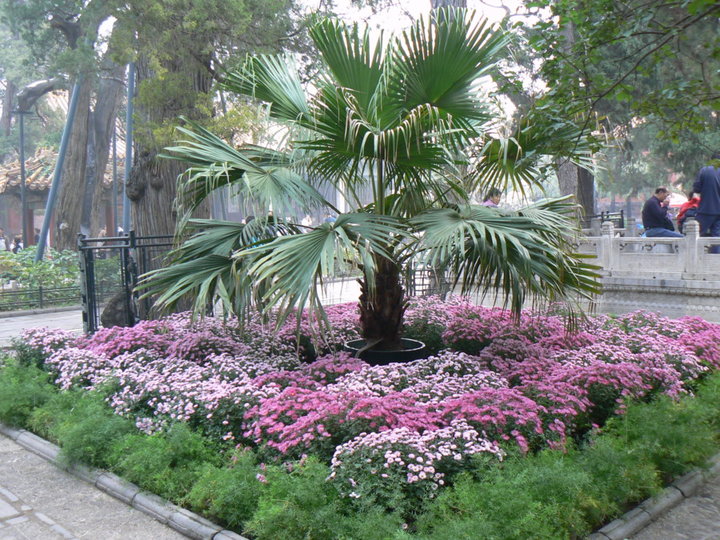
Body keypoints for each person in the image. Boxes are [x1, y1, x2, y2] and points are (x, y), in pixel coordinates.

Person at [692, 152, 720, 238]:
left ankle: (694, 252)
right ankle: (716, 252)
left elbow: (697, 188)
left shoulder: (704, 170)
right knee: (717, 237)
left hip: (706, 209)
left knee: (696, 235)